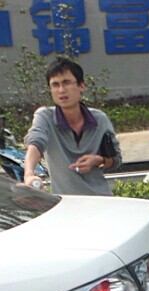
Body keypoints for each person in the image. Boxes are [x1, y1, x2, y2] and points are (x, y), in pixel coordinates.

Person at [23, 57, 122, 195]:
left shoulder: (99, 119)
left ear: (81, 86)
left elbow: (116, 159)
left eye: (66, 83)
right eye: (55, 85)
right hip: (67, 202)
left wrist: (98, 160)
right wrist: (29, 174)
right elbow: (35, 142)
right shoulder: (45, 117)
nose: (61, 90)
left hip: (101, 199)